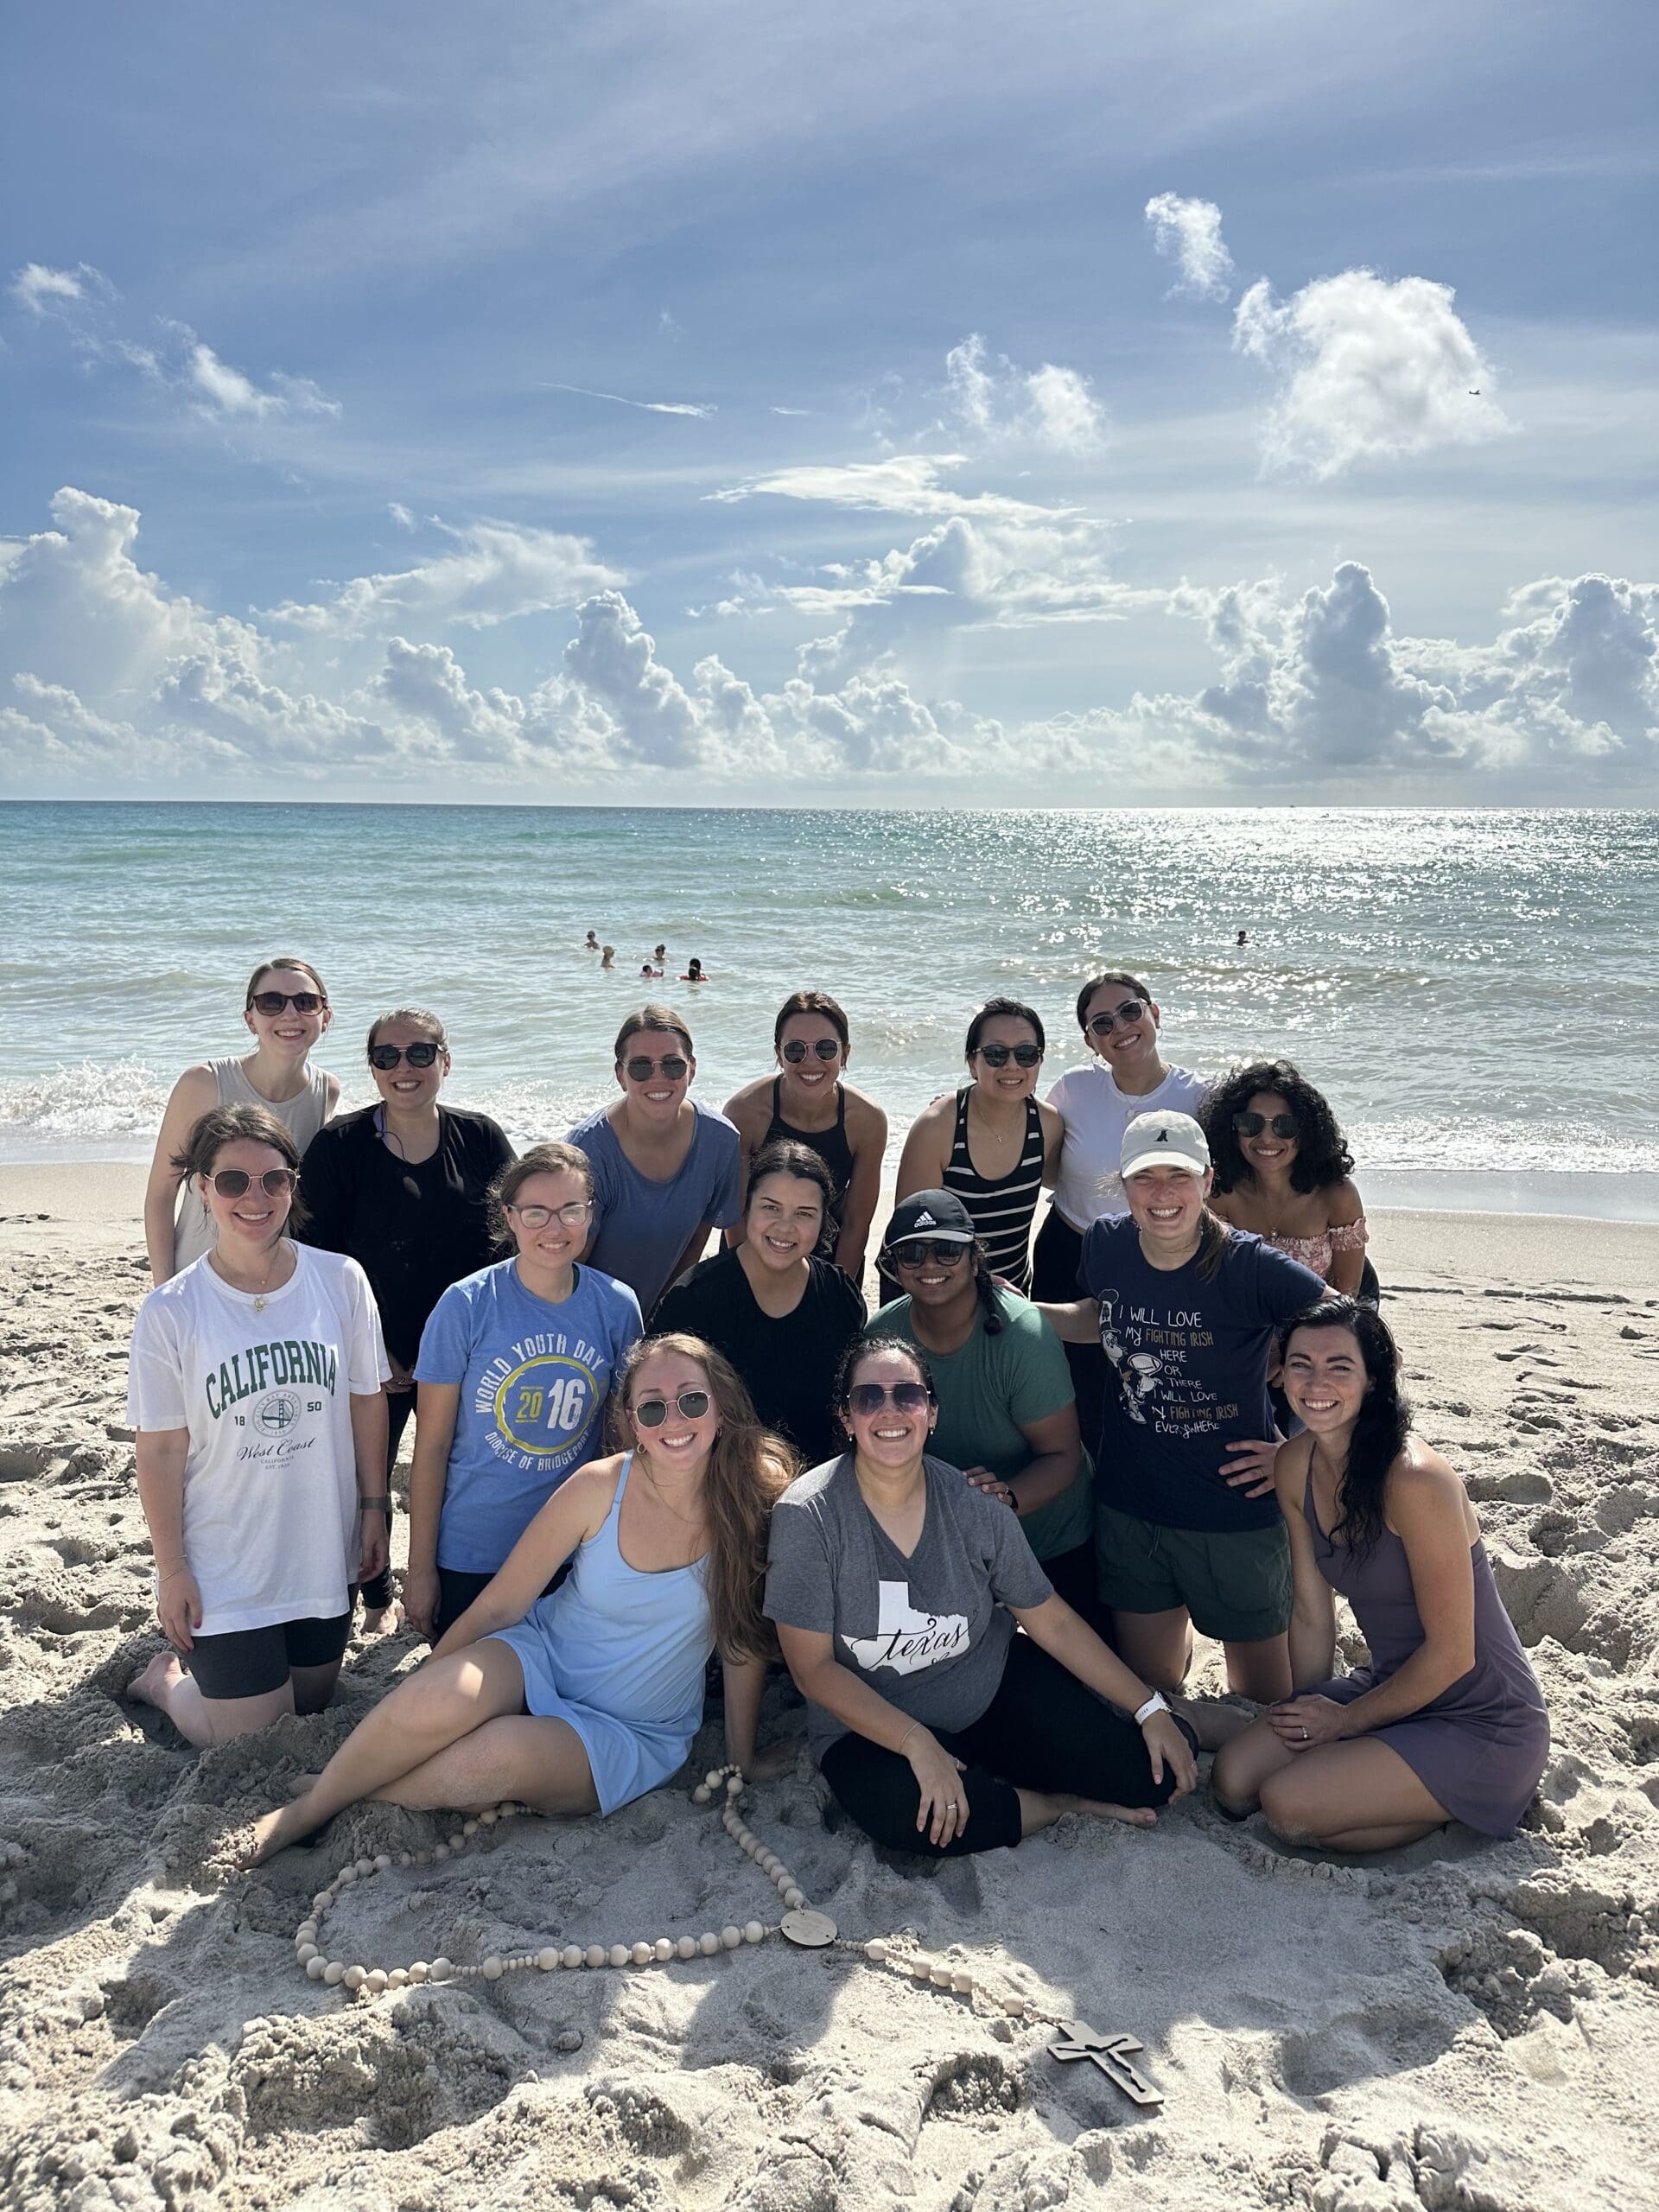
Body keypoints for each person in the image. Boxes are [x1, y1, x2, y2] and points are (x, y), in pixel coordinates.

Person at [251, 1335, 798, 1862]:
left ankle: (346, 1789)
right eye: (652, 1409)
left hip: (628, 1731)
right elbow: (499, 1607)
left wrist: (740, 1759)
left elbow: (740, 1641)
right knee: (440, 1698)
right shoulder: (599, 1486)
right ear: (631, 1424)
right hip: (541, 1656)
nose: (674, 1420)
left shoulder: (751, 1494)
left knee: (498, 1755)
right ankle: (311, 1808)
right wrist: (425, 1690)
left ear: (721, 1408)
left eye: (692, 1401)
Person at [764, 1338, 1198, 1858]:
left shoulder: (975, 1506)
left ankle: (1162, 1723)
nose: (890, 1411)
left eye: (908, 1395)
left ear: (932, 1413)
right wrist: (915, 1741)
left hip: (986, 1687)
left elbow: (1051, 1621)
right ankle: (1059, 1805)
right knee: (924, 1823)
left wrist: (1148, 1708)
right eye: (868, 1399)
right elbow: (812, 1670)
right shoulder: (808, 1515)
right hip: (871, 1725)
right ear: (846, 1417)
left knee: (1156, 1774)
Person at [1213, 1300, 1548, 1849]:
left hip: (1482, 1716)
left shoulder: (1417, 1481)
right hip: (1392, 1687)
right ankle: (1383, 1779)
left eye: (1339, 1366)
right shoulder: (1295, 1463)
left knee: (1287, 1805)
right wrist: (1310, 1712)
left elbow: (1453, 1656)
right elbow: (1311, 1614)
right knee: (1233, 1780)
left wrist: (1343, 1726)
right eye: (1301, 1364)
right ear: (1282, 1373)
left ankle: (1461, 1803)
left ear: (1373, 1379)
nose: (1316, 1381)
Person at [1035, 1111, 1325, 1706]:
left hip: (1234, 1512)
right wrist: (1026, 1314)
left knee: (1261, 1699)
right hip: (1131, 1504)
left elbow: (1363, 1342)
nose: (1162, 1194)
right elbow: (1103, 1320)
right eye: (1145, 1178)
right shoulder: (1107, 1244)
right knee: (1156, 1686)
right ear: (1122, 1184)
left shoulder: (1251, 1267)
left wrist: (1300, 1451)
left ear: (1209, 1182)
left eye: (1179, 1177)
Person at [124, 1104, 390, 1745]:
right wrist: (173, 1570)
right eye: (234, 1181)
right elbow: (158, 1452)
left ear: (293, 1186)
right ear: (203, 1189)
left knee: (310, 1709)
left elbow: (366, 1401)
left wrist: (375, 1506)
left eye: (274, 1179)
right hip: (226, 1560)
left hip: (317, 1549)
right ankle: (165, 1683)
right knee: (245, 1737)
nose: (256, 1197)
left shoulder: (340, 1279)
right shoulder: (171, 1312)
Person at [297, 1007, 515, 1629]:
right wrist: (373, 1349)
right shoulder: (340, 1147)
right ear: (372, 1069)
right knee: (366, 1476)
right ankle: (373, 1596)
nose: (404, 1068)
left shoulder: (481, 1140)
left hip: (467, 1351)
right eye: (388, 1057)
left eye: (420, 1053)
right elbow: (315, 1258)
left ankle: (453, 1585)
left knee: (461, 1472)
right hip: (373, 1351)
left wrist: (468, 1348)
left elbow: (508, 1248)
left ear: (446, 1061)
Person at [405, 1142, 642, 1643]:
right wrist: (421, 1571)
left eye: (571, 1211)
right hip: (474, 1551)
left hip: (570, 1548)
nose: (555, 1229)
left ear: (590, 1215)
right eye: (536, 1213)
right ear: (510, 1218)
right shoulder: (465, 1305)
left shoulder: (618, 1307)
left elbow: (620, 1443)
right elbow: (431, 1447)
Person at [867, 1191, 1097, 1620]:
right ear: (894, 1268)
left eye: (948, 1250)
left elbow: (1063, 1457)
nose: (930, 1264)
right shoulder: (882, 1338)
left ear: (975, 1260)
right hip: (947, 1541)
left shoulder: (1022, 1335)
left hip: (1050, 1538)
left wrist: (1003, 1500)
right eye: (912, 1253)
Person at [1032, 971, 1208, 1450]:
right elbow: (1036, 1153)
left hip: (1162, 1255)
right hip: (1069, 1249)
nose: (1120, 1028)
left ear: (1154, 1013)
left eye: (1130, 1011)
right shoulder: (1072, 1090)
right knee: (1068, 1385)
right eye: (1102, 1023)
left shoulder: (1199, 1097)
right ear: (1090, 1041)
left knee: (1147, 1379)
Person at [656, 1141, 866, 1465]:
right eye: (771, 1207)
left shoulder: (838, 1295)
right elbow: (658, 1410)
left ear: (824, 1220)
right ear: (747, 1207)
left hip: (817, 1485)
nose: (785, 1227)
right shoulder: (694, 1298)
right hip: (719, 1482)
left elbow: (853, 1404)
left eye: (804, 1214)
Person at [144, 957, 340, 1283]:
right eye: (271, 1003)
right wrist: (164, 1288)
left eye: (306, 1002)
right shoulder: (205, 1083)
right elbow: (161, 1194)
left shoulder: (326, 1091)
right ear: (250, 1020)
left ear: (325, 1017)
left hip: (279, 1282)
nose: (290, 1014)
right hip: (199, 1275)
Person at [569, 1005, 743, 1317]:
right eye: (641, 1067)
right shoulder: (587, 1151)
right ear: (621, 1075)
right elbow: (568, 1264)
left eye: (673, 1065)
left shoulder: (720, 1140)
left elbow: (699, 1234)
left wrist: (663, 1311)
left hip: (657, 1311)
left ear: (692, 1068)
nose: (658, 1077)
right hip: (585, 1312)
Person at [893, 998, 1060, 1294]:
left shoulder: (1048, 1124)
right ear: (972, 1063)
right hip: (935, 1290)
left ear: (1039, 1061)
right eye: (996, 1054)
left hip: (1013, 1292)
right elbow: (910, 1234)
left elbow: (1068, 1184)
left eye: (1026, 1054)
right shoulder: (937, 1127)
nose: (1012, 1065)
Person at [723, 991, 887, 1281]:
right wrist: (751, 1284)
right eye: (795, 1050)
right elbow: (737, 1216)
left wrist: (838, 1289)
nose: (811, 1062)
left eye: (825, 1049)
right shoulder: (745, 1113)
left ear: (845, 1054)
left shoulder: (867, 1120)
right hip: (753, 1255)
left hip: (831, 1257)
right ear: (779, 1055)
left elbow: (856, 1223)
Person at [1198, 1060, 1372, 1297]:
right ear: (1232, 1130)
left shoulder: (1336, 1195)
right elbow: (1215, 1288)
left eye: (1284, 1125)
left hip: (1322, 1325)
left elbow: (1347, 1297)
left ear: (1307, 1131)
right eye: (1251, 1123)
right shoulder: (1221, 1195)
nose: (1267, 1138)